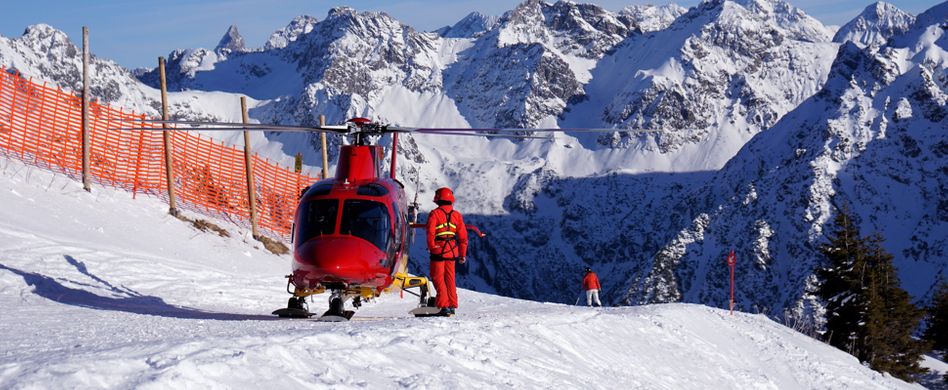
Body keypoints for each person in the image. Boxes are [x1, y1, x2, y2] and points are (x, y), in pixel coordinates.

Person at [426, 187, 468, 317]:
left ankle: (443, 306)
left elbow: (430, 233)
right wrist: (462, 254)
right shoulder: (457, 216)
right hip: (452, 251)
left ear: (438, 200)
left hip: (439, 251)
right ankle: (451, 305)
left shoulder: (435, 214)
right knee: (450, 278)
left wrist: (432, 247)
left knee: (438, 277)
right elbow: (463, 238)